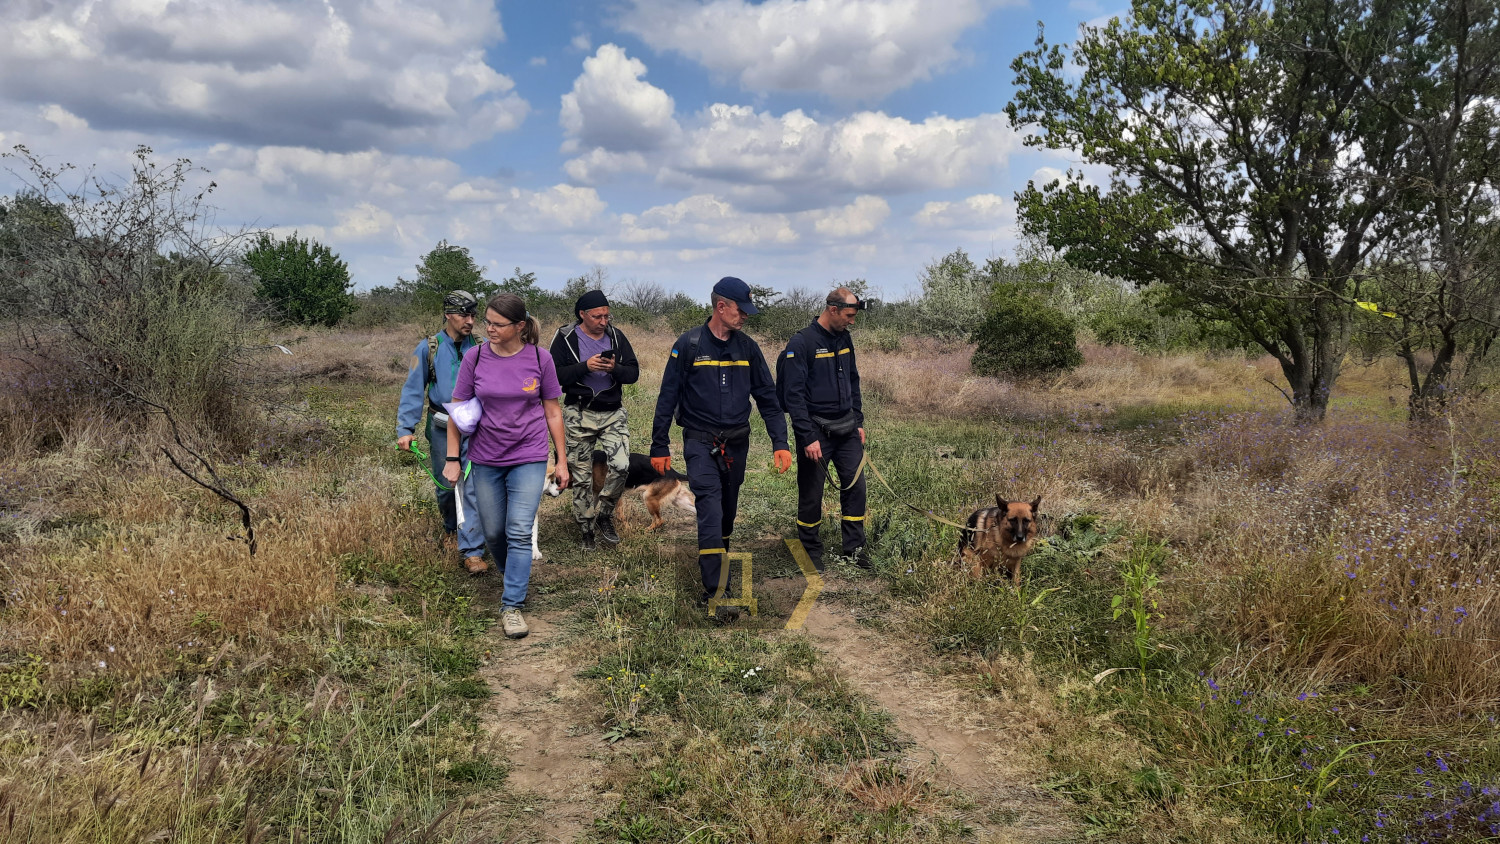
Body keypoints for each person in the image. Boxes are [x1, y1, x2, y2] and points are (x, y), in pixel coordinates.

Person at [650, 277, 792, 622]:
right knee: (710, 510)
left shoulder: (748, 348)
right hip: (700, 442)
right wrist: (659, 443)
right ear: (721, 306)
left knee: (727, 512)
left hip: (736, 444)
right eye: (741, 310)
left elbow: (767, 398)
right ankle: (716, 593)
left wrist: (780, 442)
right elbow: (668, 395)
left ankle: (719, 560)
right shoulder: (688, 345)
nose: (745, 316)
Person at [444, 293, 570, 640]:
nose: (489, 329)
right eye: (488, 322)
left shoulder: (540, 359)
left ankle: (512, 604)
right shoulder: (475, 357)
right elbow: (457, 410)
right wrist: (453, 459)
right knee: (494, 532)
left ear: (519, 326)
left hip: (529, 455)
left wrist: (561, 460)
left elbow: (552, 412)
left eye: (498, 324)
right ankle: (514, 572)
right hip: (485, 457)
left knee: (518, 530)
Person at [396, 290, 487, 573]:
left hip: (476, 427)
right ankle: (450, 530)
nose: (470, 321)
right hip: (441, 425)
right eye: (464, 315)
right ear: (448, 315)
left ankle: (473, 550)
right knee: (447, 484)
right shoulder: (428, 348)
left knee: (474, 486)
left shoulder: (482, 347)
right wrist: (405, 428)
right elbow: (413, 389)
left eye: (473, 315)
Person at [779, 287, 870, 572]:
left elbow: (853, 380)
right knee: (811, 493)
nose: (851, 321)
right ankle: (809, 551)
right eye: (849, 315)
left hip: (847, 428)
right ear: (832, 310)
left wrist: (858, 421)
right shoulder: (802, 342)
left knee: (856, 487)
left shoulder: (845, 338)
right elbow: (793, 396)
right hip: (815, 431)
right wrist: (807, 436)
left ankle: (854, 549)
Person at [548, 290, 640, 549]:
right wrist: (585, 367)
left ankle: (605, 515)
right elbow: (554, 375)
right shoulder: (565, 337)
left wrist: (615, 369)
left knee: (621, 465)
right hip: (578, 411)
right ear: (582, 314)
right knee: (581, 474)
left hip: (612, 411)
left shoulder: (616, 336)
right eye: (597, 316)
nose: (603, 321)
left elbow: (633, 373)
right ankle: (586, 528)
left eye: (606, 316)